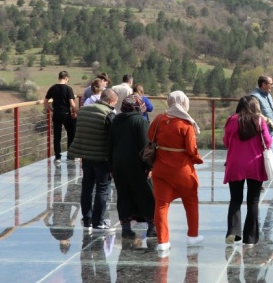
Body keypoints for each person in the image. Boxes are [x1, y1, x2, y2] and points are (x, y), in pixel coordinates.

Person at [149, 91, 205, 255]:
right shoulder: (186, 124)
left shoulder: (159, 119)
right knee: (191, 201)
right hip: (182, 169)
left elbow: (150, 136)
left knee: (161, 204)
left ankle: (163, 241)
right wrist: (197, 159)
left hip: (160, 168)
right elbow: (191, 148)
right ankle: (192, 235)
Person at [223, 96, 272, 246]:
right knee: (253, 201)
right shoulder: (259, 120)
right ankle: (250, 238)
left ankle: (233, 231)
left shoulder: (231, 120)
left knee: (235, 199)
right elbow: (268, 142)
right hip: (255, 164)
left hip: (235, 164)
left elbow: (226, 142)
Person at [67, 88, 117, 231]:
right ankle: (98, 222)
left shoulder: (83, 110)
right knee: (102, 189)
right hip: (102, 158)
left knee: (87, 188)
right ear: (110, 101)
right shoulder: (109, 113)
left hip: (86, 156)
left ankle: (87, 219)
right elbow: (113, 137)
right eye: (114, 103)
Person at [108, 94, 156, 239]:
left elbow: (110, 144)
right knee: (147, 194)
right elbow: (145, 145)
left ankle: (126, 228)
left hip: (118, 164)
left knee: (124, 194)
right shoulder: (139, 121)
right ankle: (152, 227)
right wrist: (150, 166)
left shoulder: (116, 120)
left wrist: (111, 167)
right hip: (136, 164)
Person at [250, 75, 273, 187]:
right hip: (262, 131)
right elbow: (257, 114)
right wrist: (269, 122)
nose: (272, 86)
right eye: (270, 84)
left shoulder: (268, 95)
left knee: (268, 155)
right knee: (270, 154)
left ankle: (261, 180)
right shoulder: (255, 97)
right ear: (263, 84)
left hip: (270, 130)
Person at [43, 70, 77, 163]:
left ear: (59, 78)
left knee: (57, 136)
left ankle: (57, 156)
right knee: (71, 134)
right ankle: (70, 155)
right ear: (66, 78)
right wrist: (77, 112)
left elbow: (45, 102)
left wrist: (52, 110)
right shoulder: (68, 89)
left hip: (56, 115)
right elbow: (72, 104)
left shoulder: (53, 88)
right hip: (66, 114)